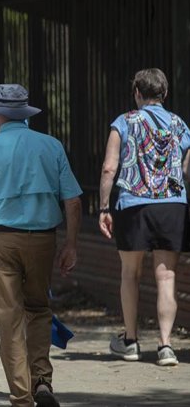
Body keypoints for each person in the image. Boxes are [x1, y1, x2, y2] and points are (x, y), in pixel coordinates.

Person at [0, 84, 81, 407]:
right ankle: (42, 381)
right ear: (24, 115)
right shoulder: (51, 147)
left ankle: (21, 396)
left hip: (1, 240)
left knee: (8, 319)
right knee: (38, 309)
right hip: (43, 239)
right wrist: (71, 245)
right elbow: (74, 201)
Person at [99, 68, 190, 366]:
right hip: (172, 206)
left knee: (130, 274)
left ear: (137, 92)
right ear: (164, 94)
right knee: (166, 275)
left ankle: (131, 341)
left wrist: (103, 207)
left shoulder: (123, 123)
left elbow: (110, 168)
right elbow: (187, 169)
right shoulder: (180, 124)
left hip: (133, 205)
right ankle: (166, 346)